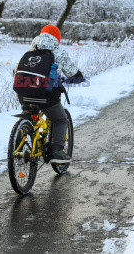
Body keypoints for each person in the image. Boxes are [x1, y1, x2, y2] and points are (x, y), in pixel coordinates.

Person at [14, 25, 84, 163]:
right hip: (46, 97)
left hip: (23, 95)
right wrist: (76, 79)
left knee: (29, 115)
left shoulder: (30, 52)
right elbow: (74, 75)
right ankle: (57, 151)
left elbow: (16, 71)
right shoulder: (59, 53)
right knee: (60, 119)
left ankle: (19, 142)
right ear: (57, 39)